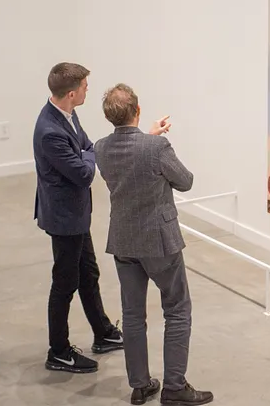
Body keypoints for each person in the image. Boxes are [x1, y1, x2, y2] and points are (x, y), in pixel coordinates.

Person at [94, 83, 213, 406]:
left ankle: (140, 385)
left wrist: (148, 137)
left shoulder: (100, 148)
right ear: (138, 110)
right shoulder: (156, 148)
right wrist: (154, 141)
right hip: (159, 243)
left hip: (123, 242)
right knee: (176, 310)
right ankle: (174, 388)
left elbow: (128, 164)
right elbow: (185, 181)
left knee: (132, 315)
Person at [32, 62, 124, 374]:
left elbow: (86, 147)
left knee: (88, 273)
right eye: (85, 87)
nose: (88, 90)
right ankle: (58, 351)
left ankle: (103, 332)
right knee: (65, 282)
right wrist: (88, 156)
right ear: (72, 93)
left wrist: (87, 154)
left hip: (76, 215)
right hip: (64, 217)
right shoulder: (50, 132)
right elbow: (84, 173)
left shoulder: (67, 115)